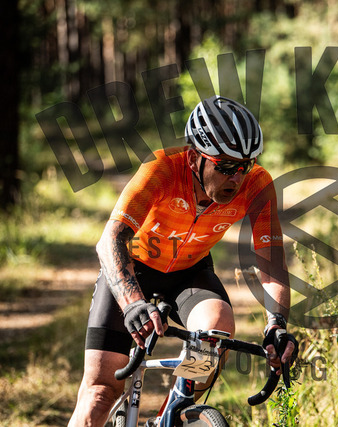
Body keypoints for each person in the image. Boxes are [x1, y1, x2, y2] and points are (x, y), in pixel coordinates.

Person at [69, 96, 297, 426]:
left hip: (190, 273)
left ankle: (169, 415)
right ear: (193, 158)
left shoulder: (257, 184)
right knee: (100, 395)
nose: (237, 178)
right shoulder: (162, 167)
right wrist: (132, 303)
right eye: (225, 166)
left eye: (245, 165)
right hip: (134, 271)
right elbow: (111, 240)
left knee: (216, 329)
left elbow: (272, 263)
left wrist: (277, 323)